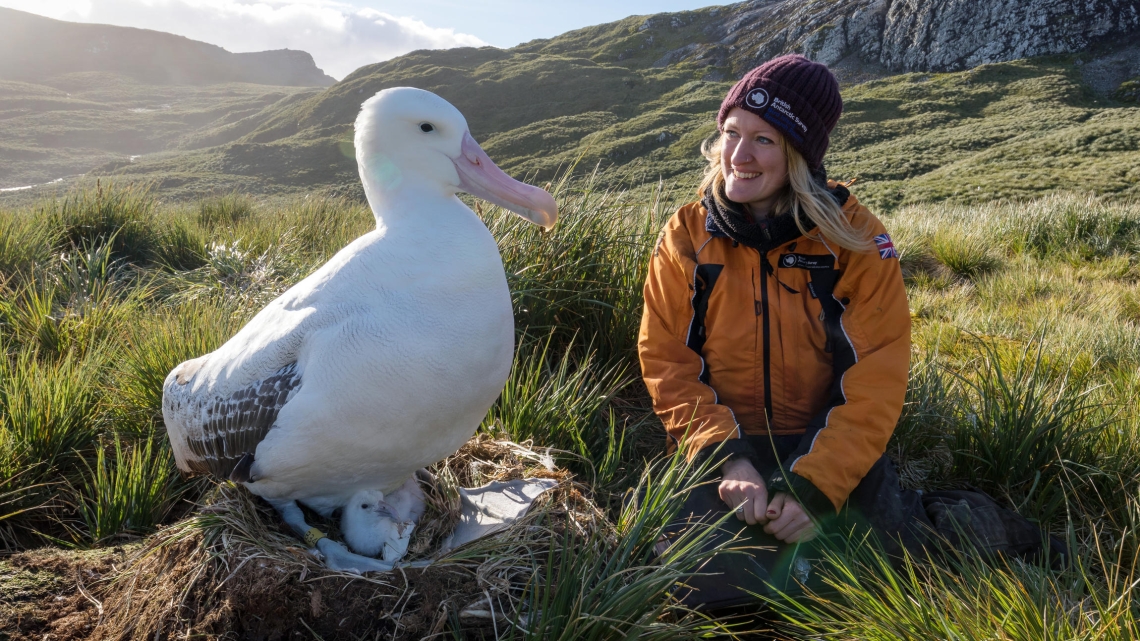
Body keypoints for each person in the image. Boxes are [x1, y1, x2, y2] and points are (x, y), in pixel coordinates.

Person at [637, 54, 928, 606]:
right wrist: (725, 457)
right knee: (707, 594)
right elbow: (667, 360)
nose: (738, 157)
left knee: (856, 592)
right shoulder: (686, 235)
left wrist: (815, 487)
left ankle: (937, 518)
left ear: (800, 154)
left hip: (824, 444)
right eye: (730, 133)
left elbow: (876, 379)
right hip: (722, 444)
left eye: (764, 140)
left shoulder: (856, 241)